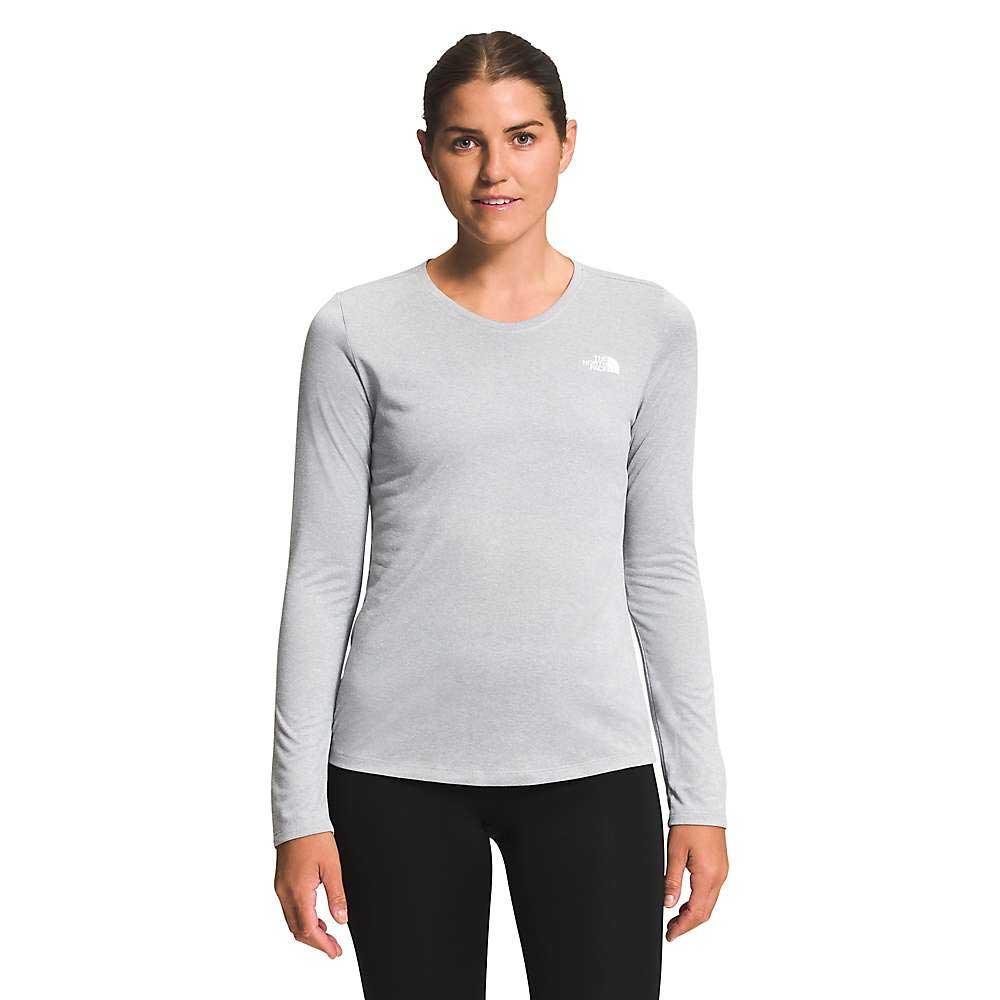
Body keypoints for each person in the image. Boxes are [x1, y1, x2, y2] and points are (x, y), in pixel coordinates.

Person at [271, 30, 728, 1000]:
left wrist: (702, 796)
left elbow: (661, 568)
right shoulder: (355, 330)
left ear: (567, 142)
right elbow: (320, 576)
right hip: (394, 767)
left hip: (592, 761)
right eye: (464, 140)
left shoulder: (648, 326)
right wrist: (296, 812)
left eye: (521, 138)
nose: (494, 171)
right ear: (427, 150)